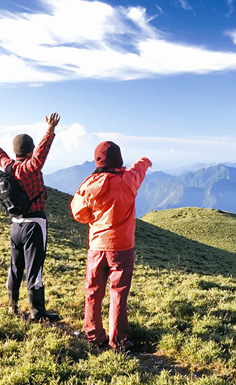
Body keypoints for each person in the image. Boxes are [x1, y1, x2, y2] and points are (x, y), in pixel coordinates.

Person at [0, 112, 61, 322]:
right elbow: (41, 154)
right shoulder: (30, 167)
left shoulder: (8, 166)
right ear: (30, 150)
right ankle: (37, 312)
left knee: (15, 267)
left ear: (14, 151)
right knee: (35, 269)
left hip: (16, 226)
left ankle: (12, 307)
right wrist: (50, 130)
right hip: (34, 224)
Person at [70, 141, 151, 350]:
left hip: (97, 247)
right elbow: (139, 169)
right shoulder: (129, 180)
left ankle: (94, 335)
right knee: (119, 293)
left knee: (93, 291)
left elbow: (78, 213)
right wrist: (145, 160)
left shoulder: (89, 185)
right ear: (119, 160)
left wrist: (94, 218)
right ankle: (119, 340)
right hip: (122, 247)